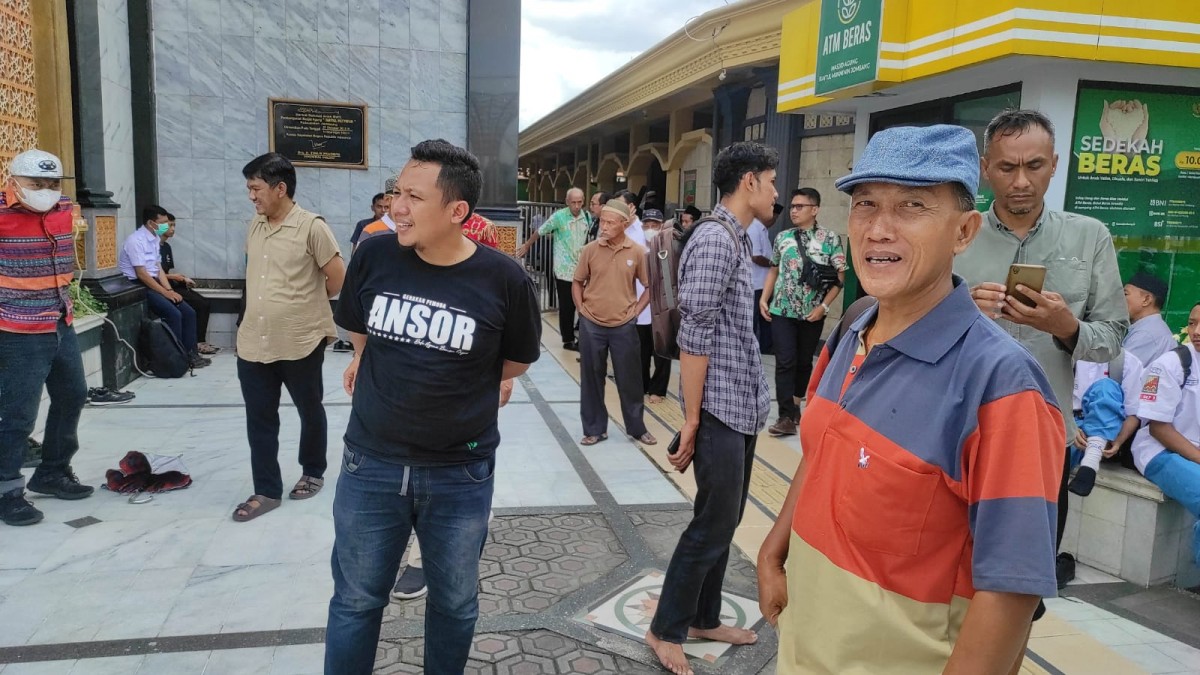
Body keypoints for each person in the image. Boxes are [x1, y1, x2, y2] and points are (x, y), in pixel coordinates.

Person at [757, 124, 1065, 675]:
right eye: (866, 205)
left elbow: (1013, 588)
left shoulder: (1001, 383)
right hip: (804, 648)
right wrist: (773, 549)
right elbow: (823, 451)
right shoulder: (852, 330)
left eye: (913, 206)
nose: (879, 229)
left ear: (964, 231)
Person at [326, 139, 541, 675]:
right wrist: (367, 360)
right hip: (370, 464)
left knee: (454, 603)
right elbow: (357, 323)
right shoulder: (374, 254)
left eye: (413, 197)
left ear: (457, 212)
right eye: (398, 191)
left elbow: (514, 363)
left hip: (459, 473)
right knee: (355, 601)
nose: (396, 206)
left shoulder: (504, 279)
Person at [955, 109, 1127, 592]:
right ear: (986, 168)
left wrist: (1067, 327)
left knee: (1025, 583)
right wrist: (959, 310)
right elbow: (909, 322)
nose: (1021, 181)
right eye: (1007, 168)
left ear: (1055, 164)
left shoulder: (1089, 237)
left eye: (1034, 165)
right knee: (951, 568)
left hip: (1044, 437)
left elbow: (1113, 338)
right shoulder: (957, 234)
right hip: (959, 430)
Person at [645, 142, 775, 675]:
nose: (775, 193)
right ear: (747, 182)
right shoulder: (717, 241)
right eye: (770, 182)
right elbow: (692, 337)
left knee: (726, 519)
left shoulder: (737, 239)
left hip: (739, 405)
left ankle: (703, 616)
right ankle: (665, 628)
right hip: (718, 408)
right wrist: (692, 419)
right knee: (712, 522)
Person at [233, 153, 345, 522]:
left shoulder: (312, 227)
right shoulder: (255, 224)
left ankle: (313, 471)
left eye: (256, 188)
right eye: (249, 188)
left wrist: (303, 304)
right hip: (254, 340)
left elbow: (338, 278)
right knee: (259, 418)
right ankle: (266, 489)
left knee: (309, 409)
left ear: (281, 188)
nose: (252, 196)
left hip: (300, 339)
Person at [0, 149, 94, 526]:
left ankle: (53, 471)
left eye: (52, 183)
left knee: (73, 394)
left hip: (59, 318)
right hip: (16, 326)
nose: (46, 190)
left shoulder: (64, 208)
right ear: (13, 181)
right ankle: (8, 491)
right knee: (18, 413)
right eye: (36, 183)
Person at [759, 188, 846, 437]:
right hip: (782, 310)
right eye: (793, 206)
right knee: (785, 361)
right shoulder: (783, 237)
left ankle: (796, 405)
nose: (794, 211)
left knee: (803, 362)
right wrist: (765, 298)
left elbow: (840, 276)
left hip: (812, 313)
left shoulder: (830, 239)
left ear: (814, 210)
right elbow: (774, 270)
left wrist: (824, 307)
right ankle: (785, 415)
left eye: (800, 206)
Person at [573, 199, 656, 447]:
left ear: (623, 224)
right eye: (602, 221)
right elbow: (577, 282)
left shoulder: (638, 251)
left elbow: (651, 287)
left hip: (623, 325)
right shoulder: (590, 250)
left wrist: (635, 312)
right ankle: (594, 429)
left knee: (630, 379)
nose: (604, 226)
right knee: (591, 378)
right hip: (592, 324)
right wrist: (581, 310)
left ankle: (637, 428)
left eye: (610, 222)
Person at [1131, 303, 1200, 564]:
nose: (1196, 331)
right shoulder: (1171, 363)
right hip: (1160, 452)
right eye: (1192, 323)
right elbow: (1159, 428)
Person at [119, 205, 208, 369]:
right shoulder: (135, 241)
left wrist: (170, 291)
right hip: (139, 285)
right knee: (173, 314)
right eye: (164, 222)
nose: (167, 226)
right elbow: (142, 274)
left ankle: (191, 354)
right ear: (151, 223)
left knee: (188, 312)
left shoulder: (154, 239)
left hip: (155, 282)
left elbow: (157, 268)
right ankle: (174, 359)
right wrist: (165, 294)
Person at [516, 187, 590, 350]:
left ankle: (583, 339)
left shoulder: (587, 218)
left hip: (582, 270)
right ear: (567, 202)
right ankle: (568, 340)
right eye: (573, 203)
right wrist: (527, 245)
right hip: (564, 270)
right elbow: (540, 231)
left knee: (584, 305)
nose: (577, 206)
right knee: (567, 306)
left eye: (580, 202)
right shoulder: (559, 217)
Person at [1068, 350, 1144, 496]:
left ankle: (1092, 459)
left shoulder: (1128, 361)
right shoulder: (1066, 353)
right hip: (1070, 423)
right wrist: (1069, 425)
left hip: (1110, 430)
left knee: (1106, 387)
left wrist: (1118, 441)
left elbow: (1133, 412)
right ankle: (1090, 463)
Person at [159, 213, 217, 355]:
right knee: (198, 305)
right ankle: (196, 344)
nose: (172, 229)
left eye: (174, 225)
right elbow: (152, 274)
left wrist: (181, 279)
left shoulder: (166, 247)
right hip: (161, 287)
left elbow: (165, 272)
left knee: (202, 303)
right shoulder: (151, 246)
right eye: (169, 225)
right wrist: (176, 278)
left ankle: (198, 342)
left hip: (171, 284)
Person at [639, 209, 671, 403]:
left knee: (661, 351)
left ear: (662, 226)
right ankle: (641, 385)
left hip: (661, 308)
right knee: (641, 349)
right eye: (647, 225)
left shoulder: (666, 247)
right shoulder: (636, 247)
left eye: (655, 225)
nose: (650, 229)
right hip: (640, 309)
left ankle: (658, 389)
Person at [1124, 271, 1177, 366]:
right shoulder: (1150, 328)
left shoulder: (1146, 334)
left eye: (1125, 294)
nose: (1120, 299)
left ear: (1146, 300)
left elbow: (1120, 371)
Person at [747, 214, 774, 355]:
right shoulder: (754, 228)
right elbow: (755, 256)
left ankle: (765, 348)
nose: (774, 220)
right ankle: (750, 349)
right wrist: (773, 264)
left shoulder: (762, 229)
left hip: (765, 283)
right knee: (753, 318)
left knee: (765, 319)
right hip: (755, 283)